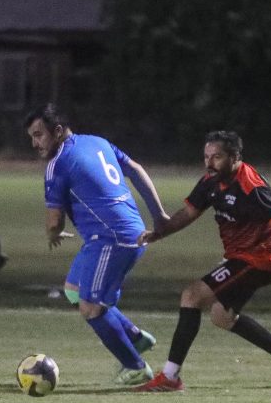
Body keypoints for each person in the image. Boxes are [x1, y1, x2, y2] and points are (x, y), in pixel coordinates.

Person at [135, 130, 271, 392]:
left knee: (192, 295)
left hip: (262, 258)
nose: (209, 162)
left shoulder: (251, 187)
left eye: (217, 157)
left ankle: (170, 377)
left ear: (235, 157)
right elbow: (189, 212)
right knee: (222, 316)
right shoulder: (212, 180)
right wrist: (159, 233)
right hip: (244, 256)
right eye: (206, 156)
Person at [25, 103, 167, 385]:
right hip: (127, 233)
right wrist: (159, 215)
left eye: (39, 135)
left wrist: (53, 234)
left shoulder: (57, 164)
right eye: (31, 137)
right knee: (74, 290)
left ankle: (136, 367)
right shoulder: (98, 142)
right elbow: (136, 170)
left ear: (57, 131)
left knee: (90, 306)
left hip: (111, 240)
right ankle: (134, 338)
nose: (34, 143)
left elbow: (54, 222)